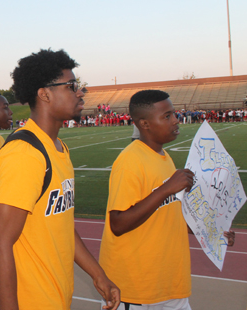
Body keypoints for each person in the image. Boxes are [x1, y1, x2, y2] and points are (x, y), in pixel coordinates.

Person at [0, 49, 120, 310]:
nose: (80, 92)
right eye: (71, 86)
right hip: (28, 301)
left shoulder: (58, 147)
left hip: (55, 296)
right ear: (44, 93)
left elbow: (62, 226)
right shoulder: (25, 154)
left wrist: (98, 275)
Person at [98, 90, 235, 310]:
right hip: (136, 288)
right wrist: (166, 188)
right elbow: (118, 223)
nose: (175, 120)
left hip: (169, 283)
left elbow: (168, 214)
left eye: (174, 114)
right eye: (167, 116)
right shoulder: (130, 161)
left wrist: (212, 231)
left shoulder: (164, 158)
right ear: (145, 124)